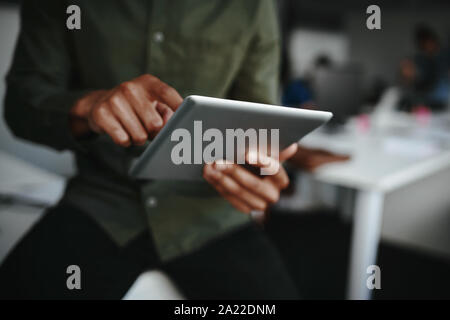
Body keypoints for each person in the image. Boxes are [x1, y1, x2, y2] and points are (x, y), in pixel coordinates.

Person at [0, 0, 342, 299]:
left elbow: (258, 126)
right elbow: (21, 107)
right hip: (102, 202)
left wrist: (260, 173)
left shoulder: (252, 5)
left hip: (208, 214)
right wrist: (88, 107)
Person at [399, 24, 449, 111]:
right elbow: (416, 81)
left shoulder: (445, 55)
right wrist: (408, 76)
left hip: (444, 100)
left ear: (433, 40)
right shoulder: (420, 59)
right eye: (422, 44)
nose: (425, 47)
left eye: (426, 42)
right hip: (425, 100)